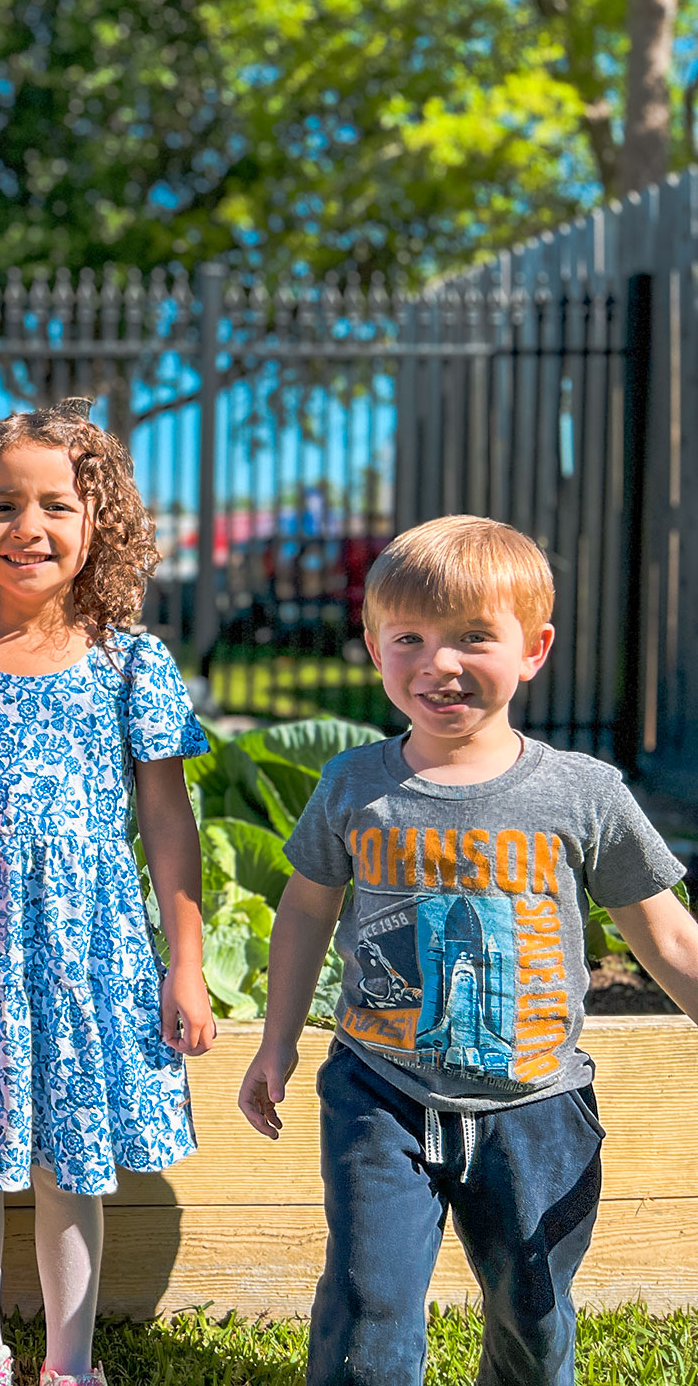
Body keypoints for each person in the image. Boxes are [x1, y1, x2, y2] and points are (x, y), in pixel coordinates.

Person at [237, 515, 698, 1386]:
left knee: (534, 1311)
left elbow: (668, 936)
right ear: (374, 649)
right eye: (409, 637)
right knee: (370, 1304)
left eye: (474, 638)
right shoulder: (354, 786)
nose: (438, 664)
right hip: (380, 1092)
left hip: (538, 1107)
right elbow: (303, 910)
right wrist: (276, 1040)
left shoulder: (581, 793)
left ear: (534, 650)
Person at [0, 401, 214, 1386]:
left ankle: (70, 1364)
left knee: (74, 1157)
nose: (27, 528)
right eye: (1, 505)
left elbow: (167, 824)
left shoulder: (131, 664)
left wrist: (185, 963)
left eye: (56, 506)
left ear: (97, 524)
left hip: (88, 955)